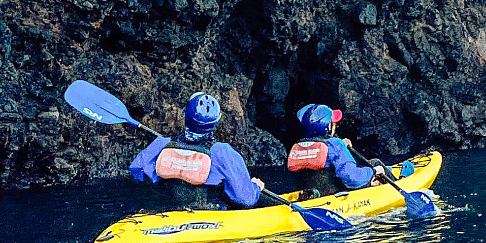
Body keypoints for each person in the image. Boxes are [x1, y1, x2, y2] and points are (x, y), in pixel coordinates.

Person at [130, 92, 264, 210]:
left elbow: (136, 170)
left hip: (163, 212)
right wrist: (256, 187)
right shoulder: (223, 152)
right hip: (208, 217)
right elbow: (246, 199)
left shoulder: (162, 144)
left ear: (186, 116)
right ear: (216, 122)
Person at [285, 103, 382, 200]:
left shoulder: (299, 145)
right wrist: (373, 171)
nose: (336, 125)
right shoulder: (335, 144)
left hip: (310, 196)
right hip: (334, 197)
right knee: (375, 163)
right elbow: (351, 178)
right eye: (333, 123)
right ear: (327, 126)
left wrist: (342, 145)